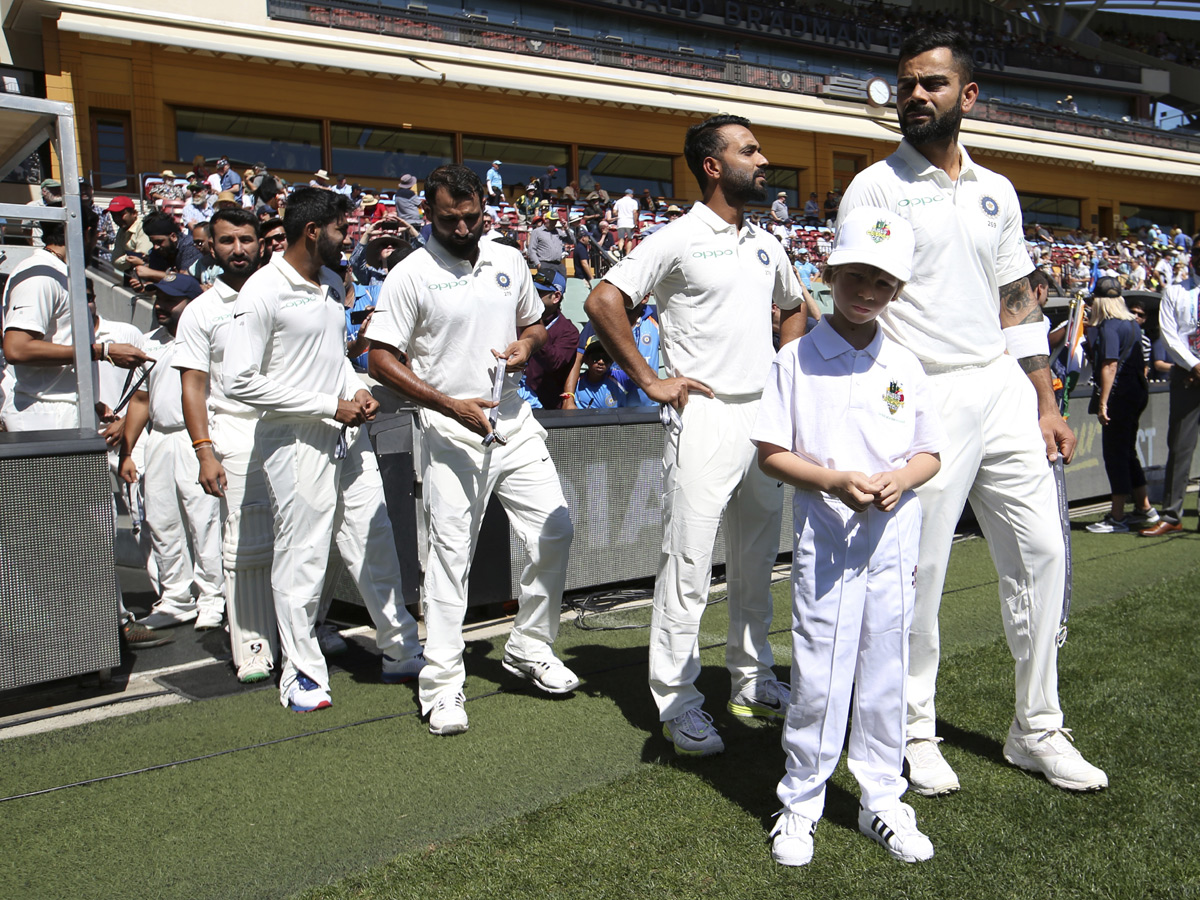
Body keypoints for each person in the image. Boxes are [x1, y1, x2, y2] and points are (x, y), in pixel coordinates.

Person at [837, 29, 1106, 794]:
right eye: (906, 85)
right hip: (919, 394)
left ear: (969, 96)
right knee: (921, 571)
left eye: (931, 84)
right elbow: (856, 299)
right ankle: (912, 730)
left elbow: (1017, 300)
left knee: (1042, 554)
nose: (915, 96)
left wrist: (1047, 401)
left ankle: (1037, 729)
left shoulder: (997, 189)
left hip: (999, 388)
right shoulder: (876, 187)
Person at [584, 114, 808, 757]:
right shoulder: (678, 236)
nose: (763, 160)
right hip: (703, 416)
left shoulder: (767, 244)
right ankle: (678, 701)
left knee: (758, 561)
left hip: (762, 418)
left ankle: (754, 677)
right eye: (750, 150)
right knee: (687, 566)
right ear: (713, 166)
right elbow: (603, 302)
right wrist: (652, 379)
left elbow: (793, 308)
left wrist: (783, 376)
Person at [755, 207, 943, 868]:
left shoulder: (905, 361)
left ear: (896, 291)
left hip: (893, 537)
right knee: (820, 673)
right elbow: (772, 455)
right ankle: (801, 802)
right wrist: (832, 481)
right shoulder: (795, 358)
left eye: (883, 283)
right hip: (828, 540)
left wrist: (901, 477)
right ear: (829, 273)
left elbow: (929, 454)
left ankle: (882, 799)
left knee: (886, 669)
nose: (868, 292)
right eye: (857, 276)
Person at [368, 164, 579, 736]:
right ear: (429, 215)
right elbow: (379, 357)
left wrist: (524, 345)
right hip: (450, 429)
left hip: (513, 419)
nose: (462, 228)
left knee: (555, 530)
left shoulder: (509, 259)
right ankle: (440, 685)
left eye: (472, 217)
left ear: (486, 208)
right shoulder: (410, 274)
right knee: (448, 559)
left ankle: (529, 646)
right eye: (448, 219)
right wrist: (445, 403)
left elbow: (535, 326)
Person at [223, 187, 377, 712]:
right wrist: (325, 405)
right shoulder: (263, 289)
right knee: (301, 553)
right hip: (291, 438)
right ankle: (300, 674)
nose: (348, 238)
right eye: (341, 229)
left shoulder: (331, 283)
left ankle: (360, 645)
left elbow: (331, 357)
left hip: (336, 429)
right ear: (314, 230)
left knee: (347, 544)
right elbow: (239, 380)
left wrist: (354, 389)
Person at [174, 208, 280, 683]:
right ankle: (254, 645)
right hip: (235, 436)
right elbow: (193, 386)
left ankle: (300, 632)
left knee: (300, 540)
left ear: (261, 242)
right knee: (246, 543)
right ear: (210, 248)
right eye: (226, 241)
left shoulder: (284, 293)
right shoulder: (201, 311)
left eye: (245, 239)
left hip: (290, 429)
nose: (238, 249)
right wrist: (204, 450)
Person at [119, 274, 225, 632]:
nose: (161, 306)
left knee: (204, 522)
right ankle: (176, 598)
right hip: (160, 438)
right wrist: (128, 452)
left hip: (196, 439)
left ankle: (212, 598)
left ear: (192, 302)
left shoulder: (207, 338)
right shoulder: (151, 342)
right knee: (162, 522)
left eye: (171, 300)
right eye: (159, 299)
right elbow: (141, 399)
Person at [1, 221, 150, 431]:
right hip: (45, 420)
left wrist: (88, 402)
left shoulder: (59, 272)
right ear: (87, 232)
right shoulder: (41, 275)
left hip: (63, 412)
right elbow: (17, 349)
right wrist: (102, 351)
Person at [1084, 278, 1158, 534]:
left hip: (1120, 394)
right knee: (1128, 452)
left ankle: (1117, 516)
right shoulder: (1133, 325)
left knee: (1115, 454)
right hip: (1137, 391)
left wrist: (1103, 402)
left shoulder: (1110, 327)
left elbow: (1110, 365)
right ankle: (1145, 507)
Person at [1140, 242, 1200, 537]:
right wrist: (1193, 366)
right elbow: (1169, 334)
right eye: (1198, 251)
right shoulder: (1175, 291)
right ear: (1191, 257)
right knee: (1179, 446)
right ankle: (1172, 514)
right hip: (1187, 376)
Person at [522, 269, 580, 409]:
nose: (532, 297)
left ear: (556, 297)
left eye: (539, 293)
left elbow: (553, 363)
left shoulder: (568, 331)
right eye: (532, 291)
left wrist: (537, 326)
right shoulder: (519, 320)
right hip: (512, 401)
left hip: (546, 408)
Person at [572, 336, 627, 409]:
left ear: (611, 361)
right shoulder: (575, 383)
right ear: (585, 359)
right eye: (596, 357)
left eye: (606, 358)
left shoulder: (619, 378)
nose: (601, 362)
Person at [613, 188, 639, 256]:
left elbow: (614, 211)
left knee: (621, 238)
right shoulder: (633, 202)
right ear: (630, 194)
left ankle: (620, 252)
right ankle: (627, 254)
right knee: (629, 239)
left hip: (621, 221)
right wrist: (635, 223)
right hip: (630, 221)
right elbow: (635, 212)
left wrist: (619, 214)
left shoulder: (619, 201)